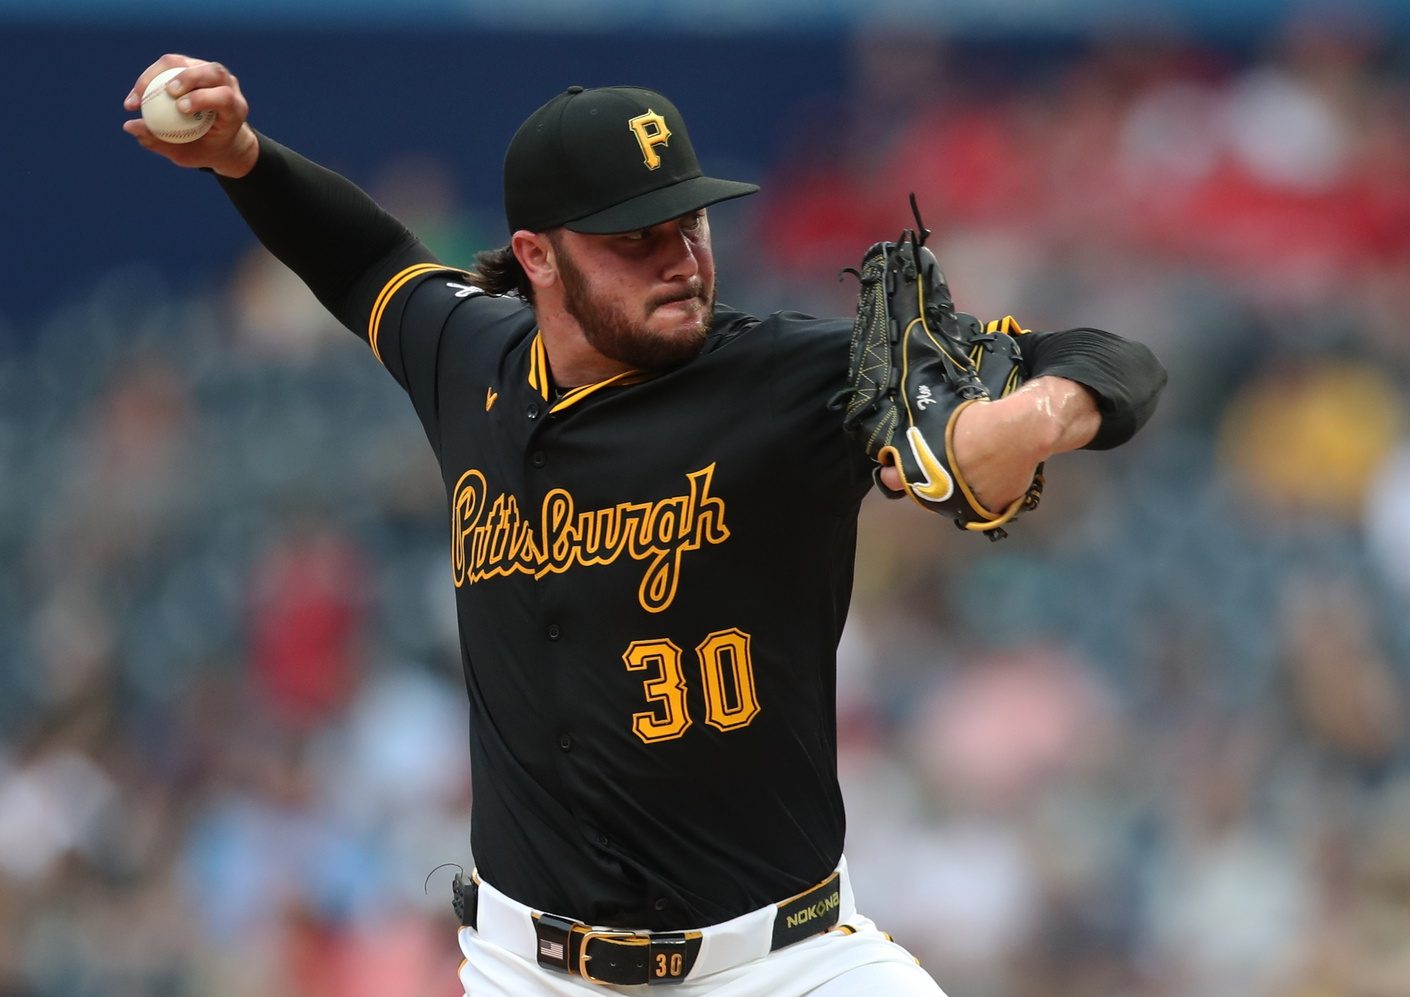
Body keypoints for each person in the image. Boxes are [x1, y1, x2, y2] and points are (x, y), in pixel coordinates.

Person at [123, 54, 1166, 996]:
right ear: (537, 257)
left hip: (786, 964)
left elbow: (1118, 357)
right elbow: (363, 262)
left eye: (691, 223)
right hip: (529, 969)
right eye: (636, 238)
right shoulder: (467, 359)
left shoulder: (795, 379)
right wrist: (243, 158)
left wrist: (1034, 417)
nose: (681, 258)